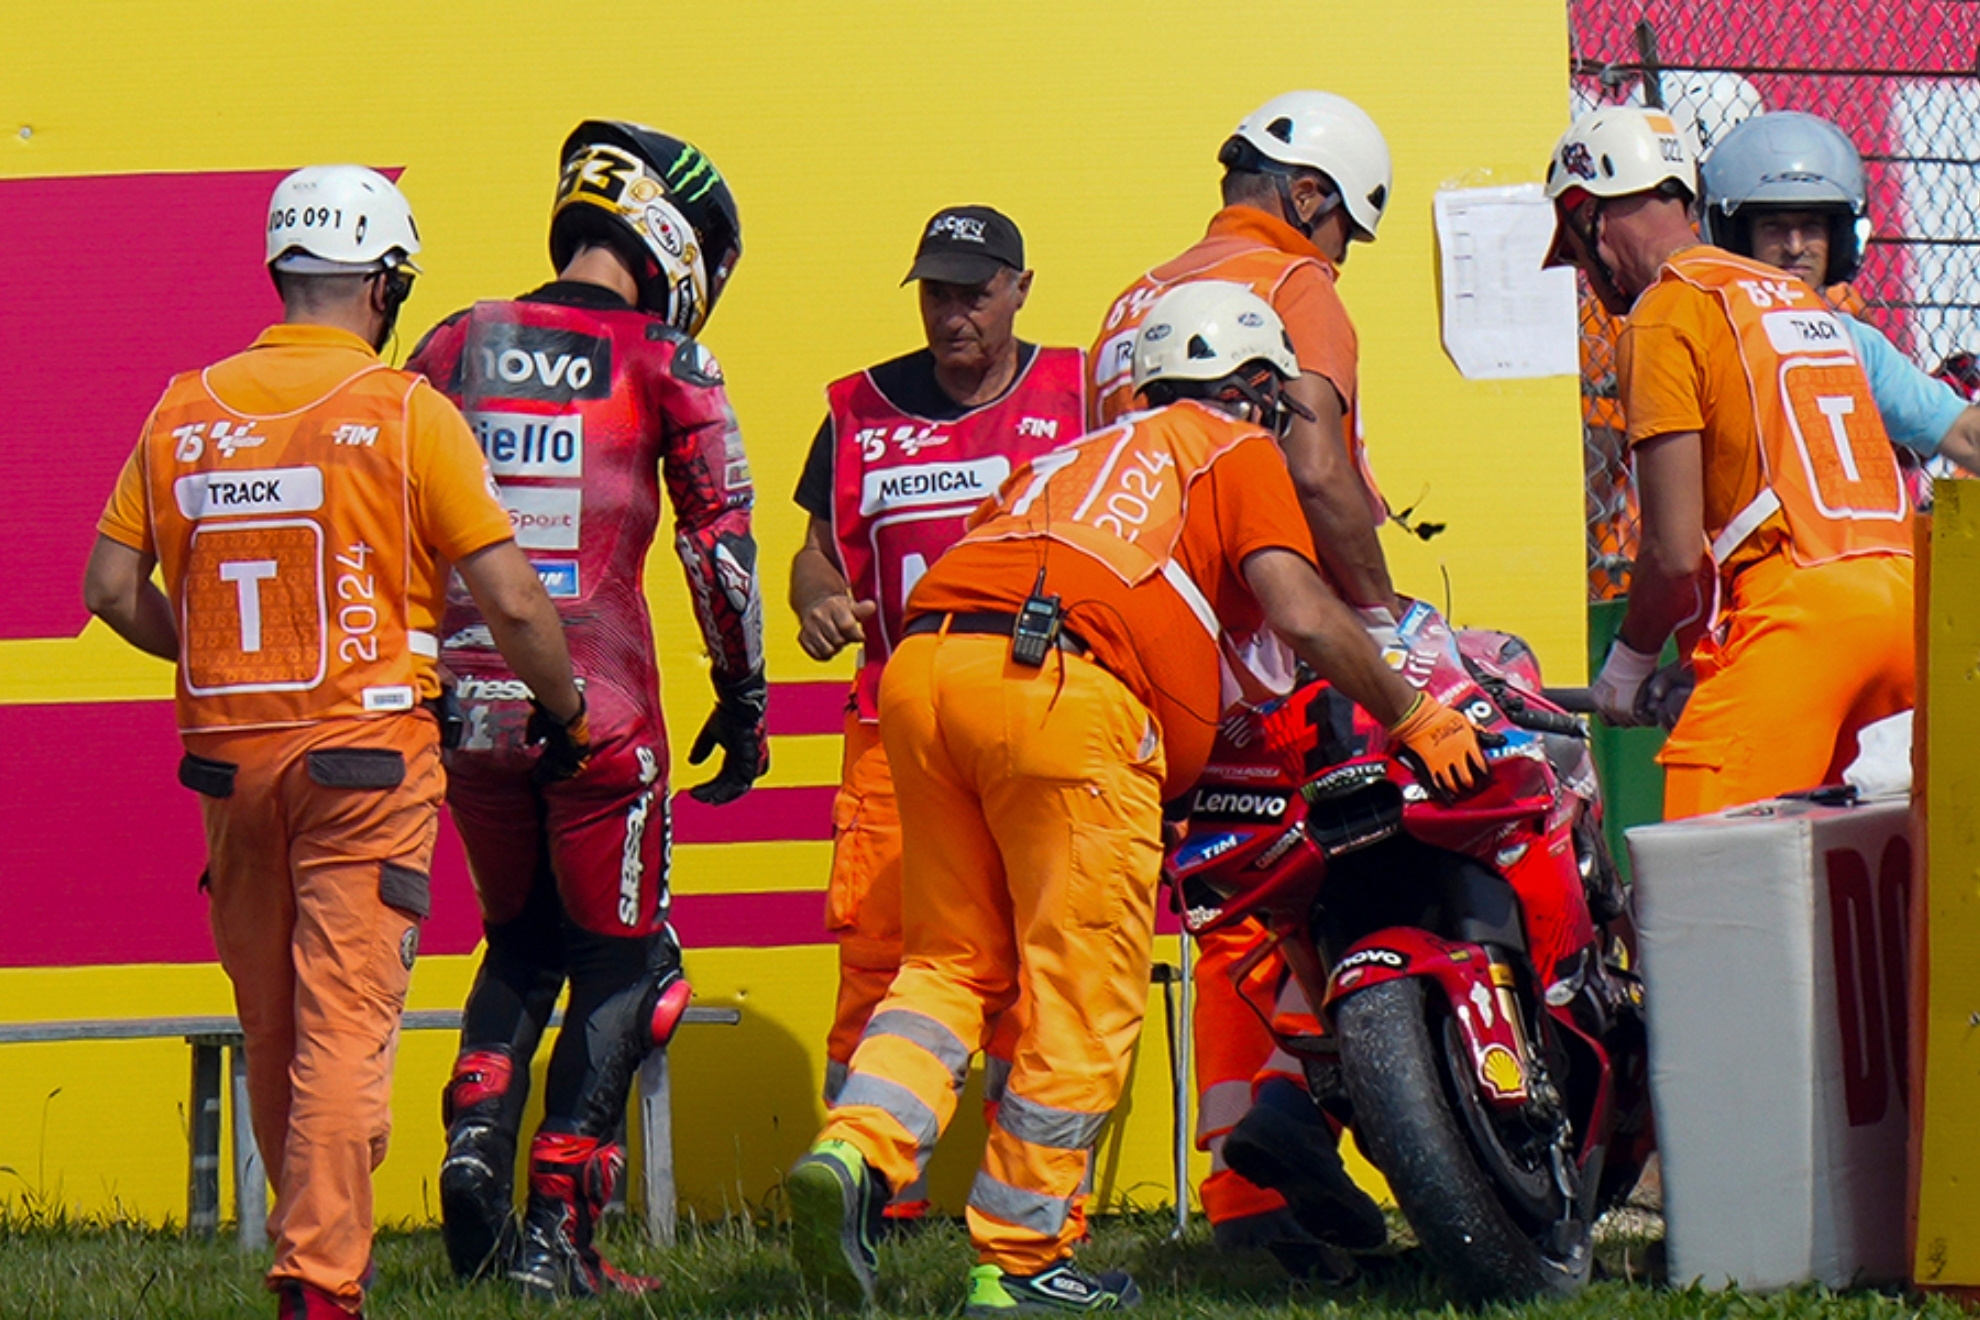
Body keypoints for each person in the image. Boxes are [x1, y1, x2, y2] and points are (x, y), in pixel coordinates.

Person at [785, 282, 1487, 1315]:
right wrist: (1413, 710)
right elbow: (1299, 611)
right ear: (1253, 385)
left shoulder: (1062, 460)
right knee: (1081, 988)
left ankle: (855, 1152)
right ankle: (1020, 1263)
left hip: (925, 678)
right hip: (1062, 689)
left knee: (948, 964)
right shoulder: (1233, 446)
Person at [81, 166, 587, 1320]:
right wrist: (566, 712)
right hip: (365, 761)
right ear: (386, 284)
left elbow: (109, 587)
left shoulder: (182, 410)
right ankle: (319, 1284)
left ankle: (310, 1250)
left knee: (276, 1027)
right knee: (346, 1030)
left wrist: (215, 654)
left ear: (282, 272)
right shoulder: (407, 412)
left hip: (227, 762)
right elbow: (513, 603)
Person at [405, 120, 766, 1299]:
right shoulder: (671, 359)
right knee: (630, 968)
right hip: (601, 716)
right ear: (672, 233)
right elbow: (722, 556)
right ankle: (556, 1232)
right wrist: (745, 701)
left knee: (517, 942)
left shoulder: (452, 340)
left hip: (468, 712)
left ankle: (472, 1145)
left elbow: (390, 521)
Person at [1087, 90, 1400, 1267]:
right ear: (1311, 196)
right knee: (1365, 871)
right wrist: (1380, 623)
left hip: (1158, 659)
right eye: (1346, 227)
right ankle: (1306, 1120)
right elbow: (1315, 469)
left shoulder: (1129, 303)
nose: (1342, 257)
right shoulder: (1294, 286)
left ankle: (1247, 1201)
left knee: (1233, 915)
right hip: (1273, 644)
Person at [789, 205, 1085, 1227]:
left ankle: (1024, 1199)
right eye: (935, 293)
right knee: (881, 957)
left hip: (1043, 717)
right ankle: (871, 1195)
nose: (952, 313)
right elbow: (817, 551)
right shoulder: (857, 409)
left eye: (974, 292)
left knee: (1044, 964)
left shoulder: (1082, 394)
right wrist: (818, 599)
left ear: (1021, 289)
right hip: (895, 729)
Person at [1544, 105, 1914, 817]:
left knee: (1705, 875)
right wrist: (1700, 665)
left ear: (1591, 216)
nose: (1586, 277)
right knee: (1857, 878)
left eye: (1576, 254)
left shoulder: (1667, 311)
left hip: (1799, 620)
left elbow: (1674, 552)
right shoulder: (1796, 297)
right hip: (1902, 610)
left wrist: (1630, 663)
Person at [1699, 111, 1980, 477]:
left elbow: (1965, 435)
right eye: (1773, 227)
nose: (1795, 246)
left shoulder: (1853, 341)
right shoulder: (1707, 338)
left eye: (1811, 226)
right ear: (1737, 237)